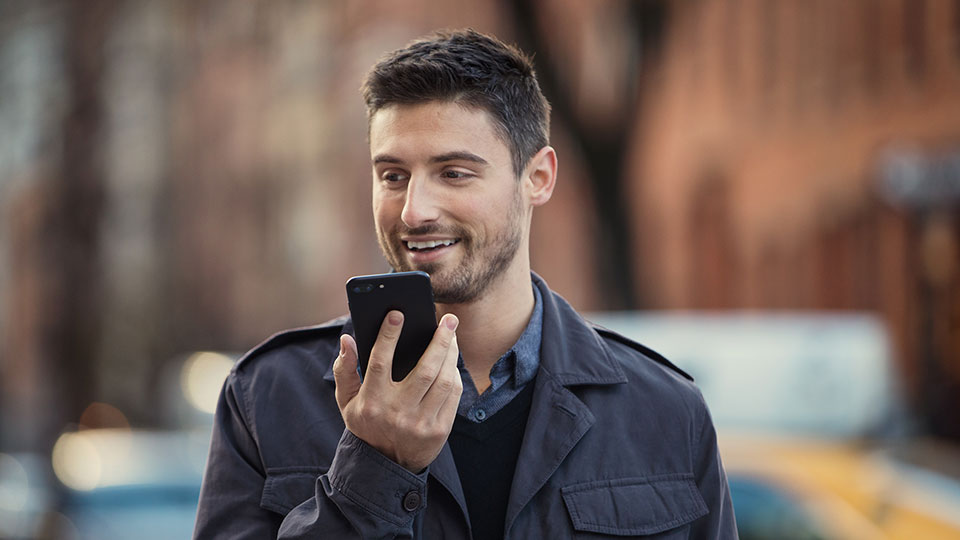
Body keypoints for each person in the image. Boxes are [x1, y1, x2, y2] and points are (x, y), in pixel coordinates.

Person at [194, 29, 737, 539]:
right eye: (393, 176)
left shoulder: (668, 411)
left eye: (454, 173)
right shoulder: (266, 397)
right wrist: (373, 471)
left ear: (538, 178)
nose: (414, 211)